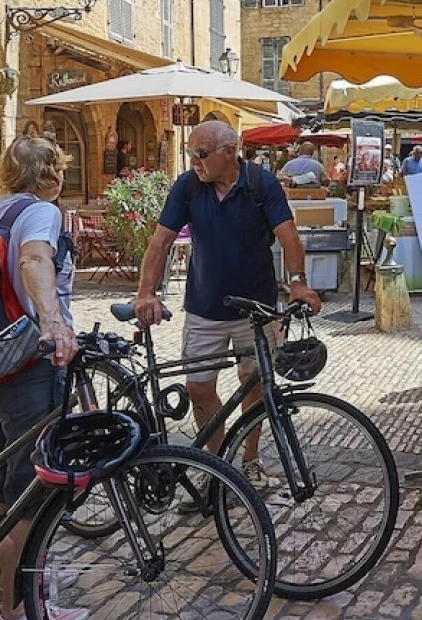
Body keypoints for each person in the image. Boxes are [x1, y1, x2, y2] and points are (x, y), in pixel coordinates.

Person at [134, 121, 323, 483]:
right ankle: (219, 466)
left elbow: (289, 236)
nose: (194, 162)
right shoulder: (188, 187)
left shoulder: (260, 183)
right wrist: (146, 292)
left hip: (256, 309)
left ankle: (250, 461)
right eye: (191, 154)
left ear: (229, 151)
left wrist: (298, 283)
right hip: (205, 307)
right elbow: (160, 243)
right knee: (199, 387)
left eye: (201, 154)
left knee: (254, 385)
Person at [0, 137, 87, 620]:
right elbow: (34, 262)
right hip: (25, 366)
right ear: (52, 175)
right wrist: (55, 324)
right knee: (32, 492)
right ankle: (16, 612)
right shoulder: (41, 212)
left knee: (4, 489)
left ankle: (25, 579)